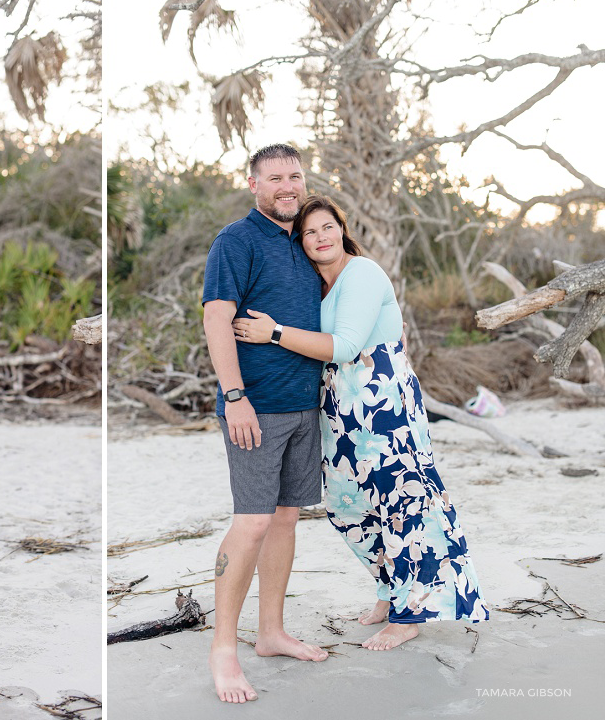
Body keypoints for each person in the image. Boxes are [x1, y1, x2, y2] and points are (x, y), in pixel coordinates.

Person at [232, 194, 490, 651]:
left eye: (327, 226)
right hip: (340, 406)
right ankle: (391, 593)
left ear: (341, 228)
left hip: (383, 402)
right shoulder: (319, 284)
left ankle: (410, 613)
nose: (319, 237)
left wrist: (272, 331)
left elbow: (347, 345)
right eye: (309, 232)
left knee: (401, 501)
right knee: (350, 504)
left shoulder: (363, 272)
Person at [201, 144, 329, 705]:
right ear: (252, 183)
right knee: (251, 522)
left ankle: (271, 632)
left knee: (285, 520)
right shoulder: (236, 240)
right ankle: (223, 651)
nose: (287, 186)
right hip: (256, 408)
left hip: (305, 406)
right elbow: (216, 317)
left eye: (295, 176)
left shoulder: (305, 241)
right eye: (275, 177)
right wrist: (234, 397)